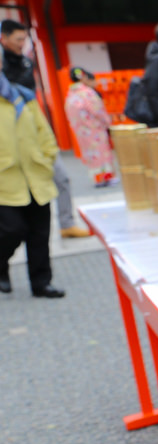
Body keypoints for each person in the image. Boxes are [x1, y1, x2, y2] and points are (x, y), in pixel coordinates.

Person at [1, 19, 88, 239]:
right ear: (4, 38)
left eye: (24, 39)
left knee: (61, 178)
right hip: (9, 142)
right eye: (18, 39)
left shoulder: (26, 62)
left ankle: (67, 223)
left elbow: (31, 100)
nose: (22, 43)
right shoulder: (5, 64)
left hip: (32, 132)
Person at [0, 71, 65, 298]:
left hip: (36, 176)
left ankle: (41, 283)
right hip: (4, 182)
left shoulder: (22, 95)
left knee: (39, 234)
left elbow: (43, 131)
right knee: (11, 229)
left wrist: (47, 159)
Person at [64, 67, 117, 188]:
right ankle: (106, 177)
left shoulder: (70, 95)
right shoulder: (87, 93)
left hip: (81, 131)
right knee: (101, 153)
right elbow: (97, 110)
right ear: (85, 78)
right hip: (95, 128)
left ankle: (97, 179)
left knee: (91, 155)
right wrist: (107, 122)